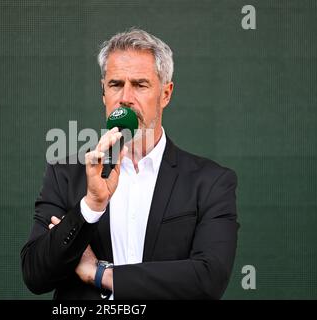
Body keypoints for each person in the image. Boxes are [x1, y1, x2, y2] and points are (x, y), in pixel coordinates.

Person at [21, 28, 239, 300]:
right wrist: (91, 206)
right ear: (103, 93)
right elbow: (35, 274)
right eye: (115, 84)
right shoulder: (65, 174)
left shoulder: (210, 182)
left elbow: (208, 279)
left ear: (166, 94)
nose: (125, 97)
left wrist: (100, 274)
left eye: (140, 84)